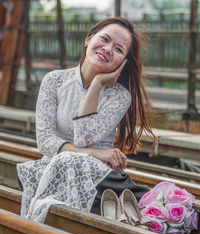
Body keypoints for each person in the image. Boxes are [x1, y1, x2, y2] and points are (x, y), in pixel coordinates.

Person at [17, 17, 155, 223]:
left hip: (99, 177)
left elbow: (83, 137)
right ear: (88, 39)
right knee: (55, 166)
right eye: (105, 39)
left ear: (123, 62)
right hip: (56, 170)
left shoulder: (119, 96)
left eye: (118, 49)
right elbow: (45, 141)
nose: (108, 49)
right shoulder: (54, 81)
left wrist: (97, 84)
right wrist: (94, 153)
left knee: (70, 162)